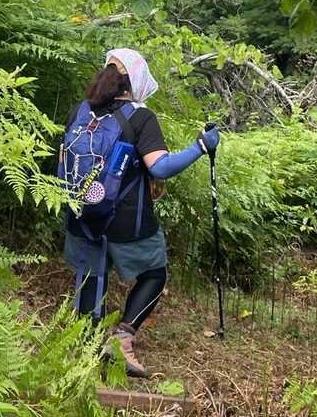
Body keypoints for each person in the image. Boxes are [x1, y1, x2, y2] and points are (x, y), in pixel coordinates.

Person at [62, 48, 219, 377]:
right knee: (154, 274)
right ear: (136, 82)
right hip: (127, 222)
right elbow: (159, 168)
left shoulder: (80, 111)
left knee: (90, 276)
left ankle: (84, 349)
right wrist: (201, 146)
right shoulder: (140, 117)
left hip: (81, 215)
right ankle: (122, 340)